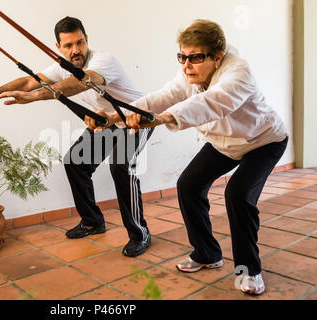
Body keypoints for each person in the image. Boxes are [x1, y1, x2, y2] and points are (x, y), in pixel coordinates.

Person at [99, 19, 288, 295]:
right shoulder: (189, 74)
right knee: (188, 185)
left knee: (238, 194)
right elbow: (162, 97)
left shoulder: (238, 72)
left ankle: (249, 270)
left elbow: (211, 102)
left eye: (196, 57)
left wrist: (162, 119)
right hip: (225, 143)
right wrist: (114, 116)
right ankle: (207, 253)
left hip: (263, 142)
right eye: (182, 57)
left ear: (217, 57)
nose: (186, 65)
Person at [0, 16, 154, 257]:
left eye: (80, 43)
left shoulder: (103, 59)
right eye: (68, 46)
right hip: (106, 120)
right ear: (58, 47)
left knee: (121, 167)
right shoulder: (61, 65)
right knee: (75, 162)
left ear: (86, 39)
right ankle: (92, 222)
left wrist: (35, 96)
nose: (76, 50)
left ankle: (140, 234)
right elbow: (31, 80)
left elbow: (83, 83)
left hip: (136, 118)